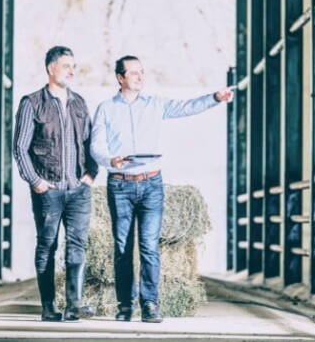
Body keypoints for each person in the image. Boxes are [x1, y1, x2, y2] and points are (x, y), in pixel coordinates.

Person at [90, 55, 233, 323]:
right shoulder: (106, 109)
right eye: (133, 73)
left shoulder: (155, 104)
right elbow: (96, 144)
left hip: (151, 184)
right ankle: (124, 305)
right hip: (120, 184)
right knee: (122, 246)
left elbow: (187, 107)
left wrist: (214, 97)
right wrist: (111, 160)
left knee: (149, 246)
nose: (140, 77)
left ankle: (150, 304)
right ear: (120, 78)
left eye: (142, 72)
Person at [13, 46, 98, 322]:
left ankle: (74, 304)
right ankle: (48, 307)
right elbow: (20, 148)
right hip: (47, 190)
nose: (72, 71)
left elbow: (90, 142)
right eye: (66, 66)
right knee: (47, 245)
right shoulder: (32, 103)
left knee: (77, 245)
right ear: (51, 68)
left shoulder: (79, 103)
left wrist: (90, 175)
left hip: (78, 189)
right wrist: (36, 181)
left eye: (74, 66)